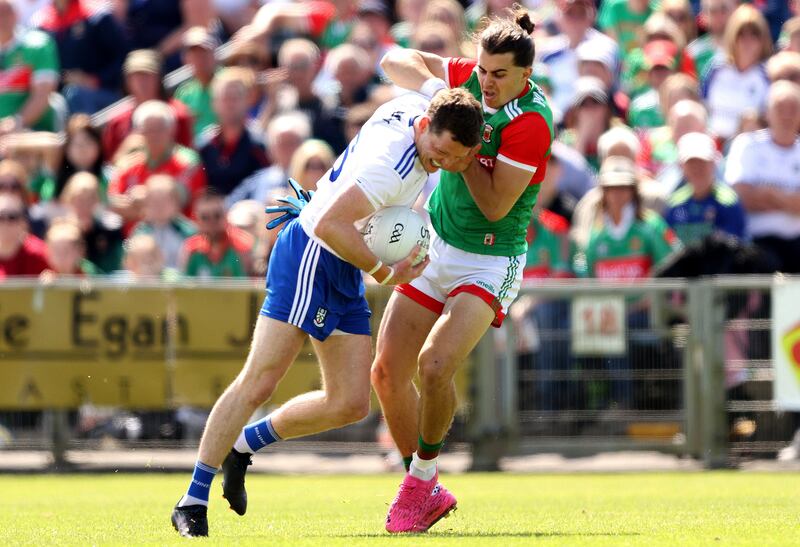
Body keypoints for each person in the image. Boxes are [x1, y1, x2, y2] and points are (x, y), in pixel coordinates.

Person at [170, 87, 483, 537]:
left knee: (350, 403)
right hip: (313, 255)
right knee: (260, 380)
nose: (443, 164)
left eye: (454, 158)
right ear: (423, 127)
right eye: (437, 154)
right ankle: (192, 500)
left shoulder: (417, 106)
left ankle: (243, 445)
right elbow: (327, 223)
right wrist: (382, 270)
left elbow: (405, 64)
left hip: (342, 258)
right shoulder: (389, 171)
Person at [370, 8, 554, 533]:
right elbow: (393, 58)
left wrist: (466, 151)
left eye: (500, 75)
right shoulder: (471, 81)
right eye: (482, 71)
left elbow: (496, 206)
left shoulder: (531, 124)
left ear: (525, 75)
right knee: (385, 372)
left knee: (433, 366)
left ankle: (418, 480)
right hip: (438, 245)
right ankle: (424, 488)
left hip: (491, 257)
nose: (487, 83)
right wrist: (435, 89)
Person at [726, 80, 800, 273]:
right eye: (780, 108)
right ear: (767, 112)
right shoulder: (747, 145)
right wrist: (790, 202)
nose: (787, 115)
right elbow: (741, 197)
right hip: (756, 243)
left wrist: (768, 194)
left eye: (793, 108)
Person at [664, 132, 746, 245]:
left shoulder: (727, 202)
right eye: (691, 162)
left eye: (702, 162)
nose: (697, 168)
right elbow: (669, 246)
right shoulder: (674, 203)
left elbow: (733, 248)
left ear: (713, 163)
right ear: (681, 166)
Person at [197, 67, 268, 196]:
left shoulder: (260, 145)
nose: (229, 104)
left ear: (248, 100)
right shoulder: (204, 145)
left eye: (235, 98)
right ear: (214, 103)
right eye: (224, 98)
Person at [0, 0, 59, 134]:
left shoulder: (37, 46)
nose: (1, 19)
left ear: (16, 14)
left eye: (6, 12)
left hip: (30, 131)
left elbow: (42, 94)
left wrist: (15, 123)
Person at [180, 189, 252, 278]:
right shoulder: (192, 249)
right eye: (205, 217)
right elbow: (185, 284)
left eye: (217, 215)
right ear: (197, 220)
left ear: (226, 216)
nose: (212, 221)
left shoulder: (241, 246)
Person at [173, 26, 220, 140]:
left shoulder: (229, 83)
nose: (199, 58)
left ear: (215, 53)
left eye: (204, 52)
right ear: (185, 59)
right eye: (194, 53)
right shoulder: (184, 92)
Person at [0, 192, 47, 278]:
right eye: (0, 217)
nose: (5, 223)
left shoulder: (41, 253)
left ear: (24, 223)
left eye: (12, 217)